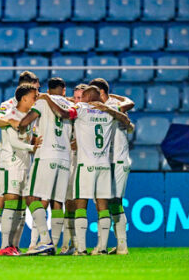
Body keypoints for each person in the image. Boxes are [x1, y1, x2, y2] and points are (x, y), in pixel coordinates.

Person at [37, 86, 132, 256]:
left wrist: (48, 99)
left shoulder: (81, 108)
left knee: (81, 204)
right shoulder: (109, 111)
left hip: (86, 164)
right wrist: (109, 109)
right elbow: (125, 119)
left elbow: (63, 114)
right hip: (104, 165)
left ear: (87, 97)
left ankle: (81, 248)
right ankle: (101, 248)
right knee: (102, 206)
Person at [18, 78, 73, 255]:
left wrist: (22, 130)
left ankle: (45, 240)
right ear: (63, 90)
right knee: (57, 202)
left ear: (48, 90)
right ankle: (54, 245)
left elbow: (25, 122)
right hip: (64, 158)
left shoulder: (42, 102)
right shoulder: (71, 104)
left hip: (46, 156)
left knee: (30, 196)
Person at [0, 71, 40, 255]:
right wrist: (11, 122)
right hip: (8, 158)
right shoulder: (9, 105)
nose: (38, 92)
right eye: (35, 88)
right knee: (2, 198)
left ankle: (13, 244)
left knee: (19, 201)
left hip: (24, 159)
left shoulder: (34, 108)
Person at [89, 78, 135, 255]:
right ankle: (111, 245)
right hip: (103, 160)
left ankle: (118, 245)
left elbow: (129, 104)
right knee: (103, 203)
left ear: (101, 93)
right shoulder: (97, 108)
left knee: (114, 202)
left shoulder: (115, 105)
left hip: (117, 160)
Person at [60, 83, 88, 255]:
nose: (77, 101)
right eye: (75, 97)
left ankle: (80, 244)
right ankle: (66, 245)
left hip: (84, 162)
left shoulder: (90, 115)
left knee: (80, 202)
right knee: (68, 202)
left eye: (80, 98)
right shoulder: (70, 113)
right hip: (69, 160)